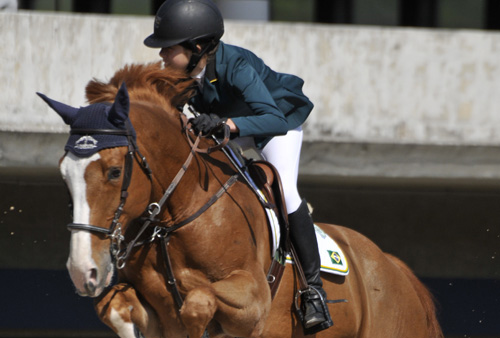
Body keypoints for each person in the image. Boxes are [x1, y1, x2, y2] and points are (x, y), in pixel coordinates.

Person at [144, 0, 333, 334]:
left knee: (285, 191)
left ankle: (314, 291)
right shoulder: (183, 73)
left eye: (167, 49)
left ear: (197, 47)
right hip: (232, 129)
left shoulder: (236, 64)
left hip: (276, 126)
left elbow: (271, 118)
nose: (161, 56)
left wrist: (227, 125)